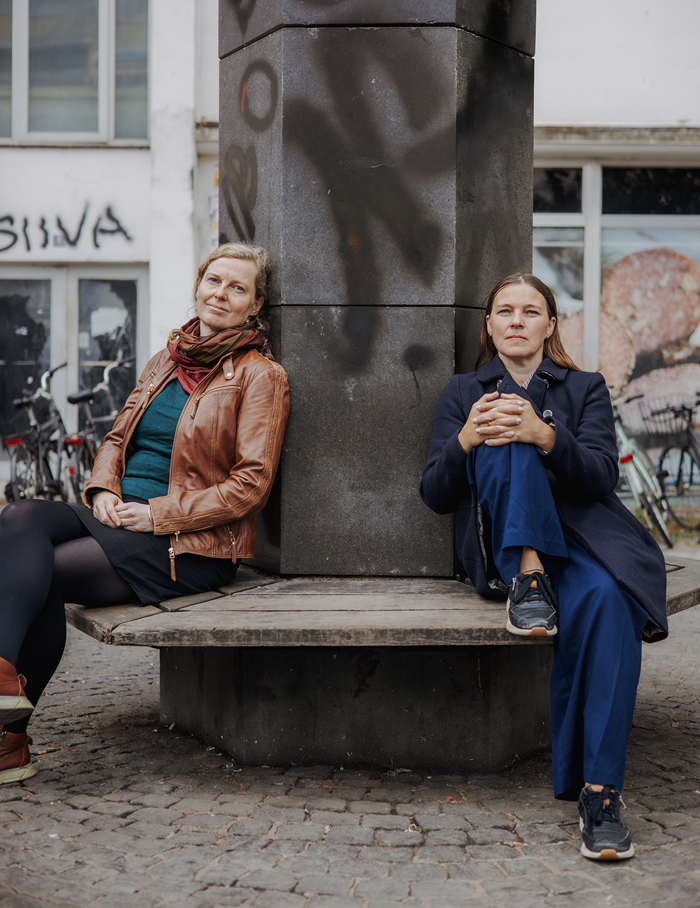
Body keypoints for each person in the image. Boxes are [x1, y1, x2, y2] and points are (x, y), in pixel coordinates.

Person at [0, 242, 290, 785]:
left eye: (237, 287)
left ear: (255, 305)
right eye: (213, 280)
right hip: (119, 514)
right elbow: (116, 439)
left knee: (41, 573)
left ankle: (8, 741)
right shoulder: (166, 360)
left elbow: (250, 484)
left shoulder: (260, 376)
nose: (220, 294)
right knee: (18, 519)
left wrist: (159, 514)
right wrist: (103, 490)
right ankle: (3, 691)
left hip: (189, 544)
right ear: (198, 285)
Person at [420, 273, 667, 861]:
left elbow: (602, 476)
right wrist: (466, 439)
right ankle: (528, 576)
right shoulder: (464, 391)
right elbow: (434, 492)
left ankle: (600, 795)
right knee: (501, 432)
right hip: (503, 549)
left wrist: (548, 436)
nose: (517, 320)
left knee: (611, 602)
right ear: (488, 324)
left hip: (582, 541)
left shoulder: (585, 386)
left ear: (550, 325)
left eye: (531, 311)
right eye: (504, 311)